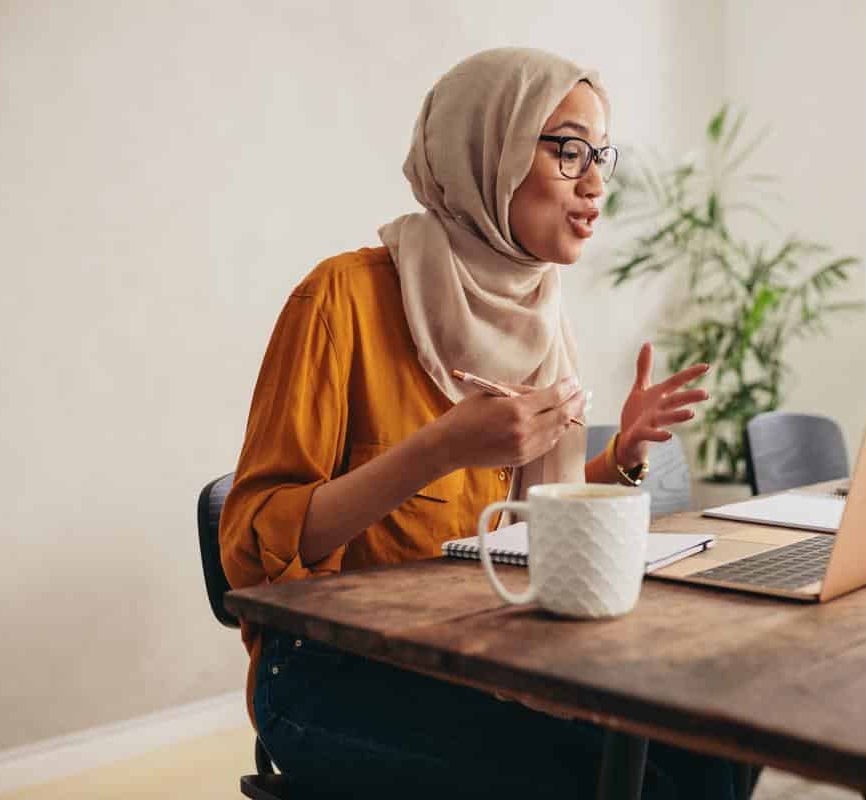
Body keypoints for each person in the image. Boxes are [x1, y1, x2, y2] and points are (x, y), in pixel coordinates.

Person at [220, 47, 756, 799]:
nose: (596, 184)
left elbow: (508, 526)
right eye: (568, 150)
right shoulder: (340, 297)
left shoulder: (540, 315)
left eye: (601, 155)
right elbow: (251, 546)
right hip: (331, 675)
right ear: (487, 150)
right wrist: (437, 448)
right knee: (622, 780)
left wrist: (621, 457)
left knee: (709, 748)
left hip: (492, 648)